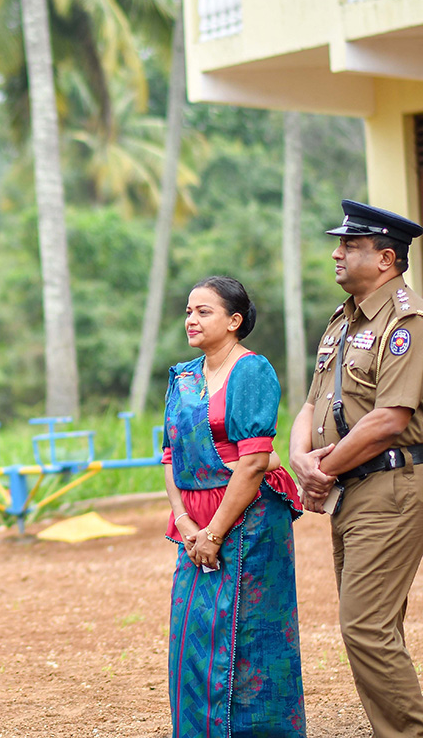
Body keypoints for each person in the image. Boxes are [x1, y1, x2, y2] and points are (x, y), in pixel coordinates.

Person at [289, 199, 423, 737]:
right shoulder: (343, 320)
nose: (336, 253)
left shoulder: (406, 322)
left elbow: (389, 418)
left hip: (390, 488)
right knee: (374, 626)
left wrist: (321, 471)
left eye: (349, 245)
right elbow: (312, 403)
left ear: (386, 258)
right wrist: (302, 459)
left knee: (365, 627)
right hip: (352, 489)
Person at [162, 275, 305, 737]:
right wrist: (186, 521)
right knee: (193, 637)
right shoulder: (182, 378)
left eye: (204, 311)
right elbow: (170, 455)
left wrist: (215, 533)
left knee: (250, 637)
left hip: (250, 523)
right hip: (193, 522)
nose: (192, 319)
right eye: (188, 310)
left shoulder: (252, 371)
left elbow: (254, 462)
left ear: (234, 320)